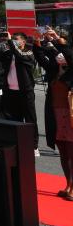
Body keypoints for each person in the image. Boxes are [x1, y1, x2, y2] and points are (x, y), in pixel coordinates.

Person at [34, 26, 73, 199]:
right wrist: (37, 42)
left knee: (71, 150)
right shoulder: (54, 68)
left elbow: (69, 56)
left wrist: (58, 40)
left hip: (70, 112)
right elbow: (42, 60)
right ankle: (68, 184)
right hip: (55, 111)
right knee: (63, 149)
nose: (60, 57)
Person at [0, 32, 41, 153]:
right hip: (10, 91)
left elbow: (20, 56)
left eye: (16, 39)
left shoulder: (28, 52)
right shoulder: (9, 53)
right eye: (12, 39)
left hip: (25, 91)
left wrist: (11, 42)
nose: (13, 40)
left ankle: (33, 145)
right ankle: (17, 143)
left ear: (23, 42)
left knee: (30, 118)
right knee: (14, 119)